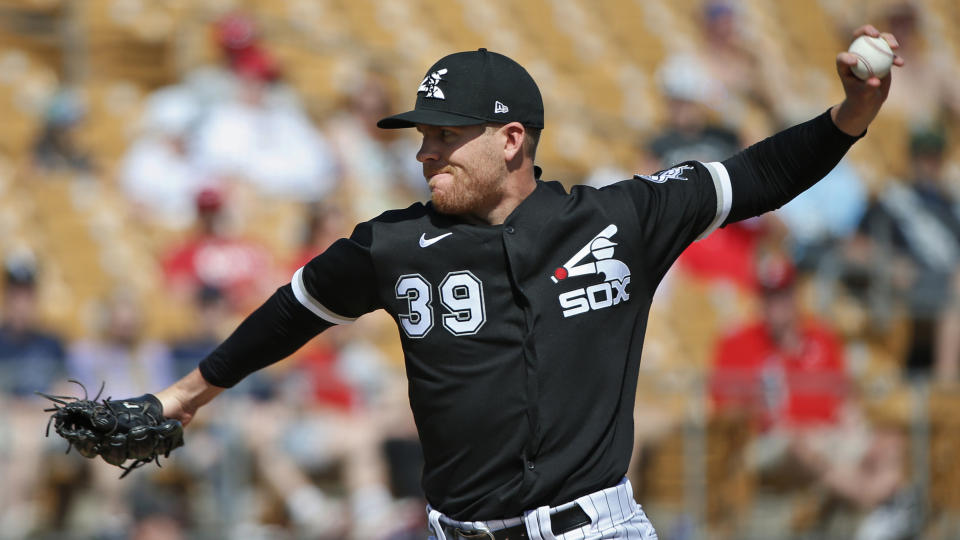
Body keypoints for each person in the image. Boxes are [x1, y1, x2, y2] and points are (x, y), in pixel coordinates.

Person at [144, 26, 901, 539]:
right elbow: (293, 311)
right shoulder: (393, 242)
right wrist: (185, 396)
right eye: (423, 136)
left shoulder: (620, 218)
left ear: (511, 140)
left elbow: (759, 174)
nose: (426, 154)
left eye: (445, 135)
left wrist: (852, 114)